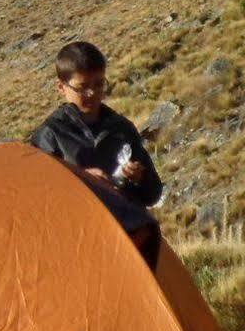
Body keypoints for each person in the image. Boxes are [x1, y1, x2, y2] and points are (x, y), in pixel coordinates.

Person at [30, 40, 163, 208]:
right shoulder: (50, 136)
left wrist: (141, 178)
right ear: (61, 87)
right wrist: (82, 179)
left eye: (99, 84)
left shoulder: (121, 128)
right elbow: (38, 200)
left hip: (128, 228)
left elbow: (153, 194)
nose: (92, 93)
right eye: (82, 87)